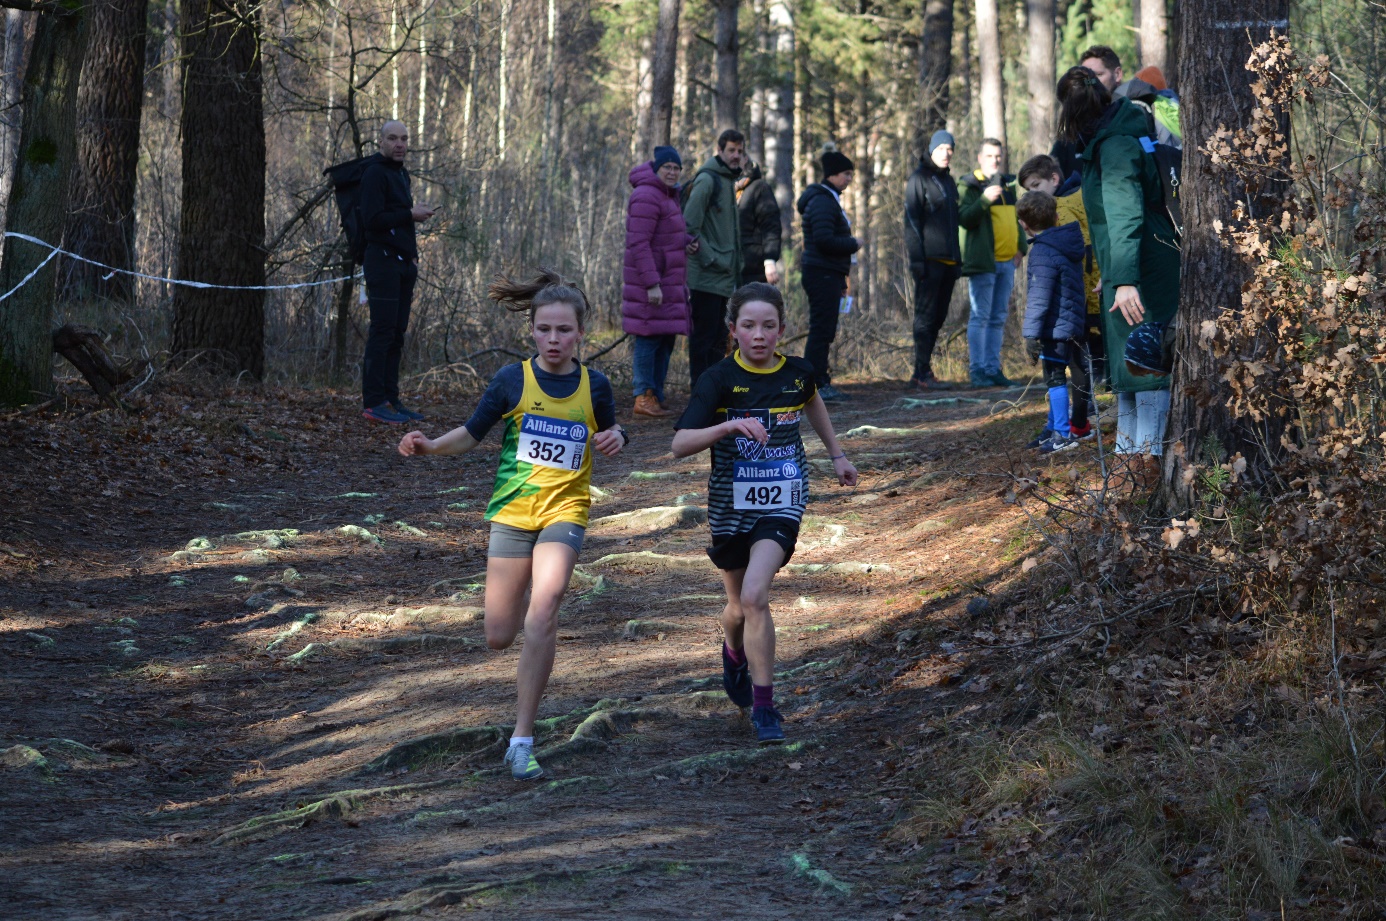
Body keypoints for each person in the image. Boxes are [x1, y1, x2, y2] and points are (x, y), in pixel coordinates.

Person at [397, 271, 627, 781]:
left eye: (564, 331)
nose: (553, 340)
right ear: (532, 332)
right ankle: (522, 612)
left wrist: (618, 437)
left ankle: (522, 740)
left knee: (544, 608)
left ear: (581, 334)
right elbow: (472, 433)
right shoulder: (510, 381)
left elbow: (612, 428)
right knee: (500, 634)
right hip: (512, 515)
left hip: (565, 513)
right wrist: (432, 445)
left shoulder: (596, 384)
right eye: (544, 329)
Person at [672, 282, 858, 744]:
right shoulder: (717, 379)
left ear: (781, 330)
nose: (759, 335)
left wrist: (836, 454)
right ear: (733, 330)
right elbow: (678, 445)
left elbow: (810, 397)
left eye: (769, 326)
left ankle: (765, 705)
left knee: (755, 596)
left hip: (783, 500)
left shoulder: (797, 374)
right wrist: (729, 424)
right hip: (729, 504)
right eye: (749, 326)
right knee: (736, 607)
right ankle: (733, 652)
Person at [1057, 65, 1180, 481]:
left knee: (1146, 368)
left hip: (1144, 270)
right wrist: (1111, 274)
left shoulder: (1114, 147)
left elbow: (1126, 216)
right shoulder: (1110, 140)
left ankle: (1147, 474)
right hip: (1127, 270)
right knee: (1128, 373)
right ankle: (1126, 471)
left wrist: (1125, 278)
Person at [360, 120, 436, 424]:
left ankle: (391, 400)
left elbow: (400, 221)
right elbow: (372, 220)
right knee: (382, 332)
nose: (400, 144)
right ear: (381, 142)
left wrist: (413, 256)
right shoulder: (375, 173)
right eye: (393, 138)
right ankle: (373, 402)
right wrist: (409, 213)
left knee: (397, 334)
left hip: (404, 264)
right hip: (381, 262)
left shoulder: (401, 174)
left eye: (404, 138)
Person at [1018, 152, 1105, 392]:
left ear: (1054, 179)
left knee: (1088, 360)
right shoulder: (1083, 192)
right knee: (1090, 359)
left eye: (1036, 186)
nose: (1034, 194)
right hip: (1098, 284)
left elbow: (1082, 251)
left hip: (1088, 292)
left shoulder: (1062, 208)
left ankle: (1085, 414)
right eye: (1028, 190)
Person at [622, 146, 696, 418]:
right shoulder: (646, 195)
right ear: (656, 168)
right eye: (668, 167)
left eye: (676, 168)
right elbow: (638, 243)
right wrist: (651, 283)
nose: (672, 172)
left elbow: (665, 236)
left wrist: (687, 243)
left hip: (669, 282)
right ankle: (643, 396)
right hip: (651, 283)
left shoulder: (667, 195)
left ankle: (657, 394)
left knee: (665, 339)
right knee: (648, 337)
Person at [1016, 190, 1090, 454]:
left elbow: (1039, 297)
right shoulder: (1067, 243)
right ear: (1057, 217)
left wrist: (1030, 335)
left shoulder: (1043, 252)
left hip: (1055, 328)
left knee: (1055, 377)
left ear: (1024, 224)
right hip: (1072, 323)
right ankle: (1053, 428)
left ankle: (1062, 432)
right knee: (1059, 375)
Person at [957, 138, 1026, 388]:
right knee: (981, 316)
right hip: (984, 262)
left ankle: (993, 368)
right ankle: (978, 371)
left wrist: (1021, 248)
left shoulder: (1008, 185)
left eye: (998, 156)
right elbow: (964, 218)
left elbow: (1017, 218)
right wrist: (985, 198)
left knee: (998, 317)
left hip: (1008, 262)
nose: (995, 161)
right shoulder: (969, 185)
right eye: (989, 156)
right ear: (979, 158)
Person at [796, 146, 861, 402]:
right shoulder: (823, 200)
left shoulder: (829, 198)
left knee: (824, 328)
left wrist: (842, 277)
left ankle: (819, 381)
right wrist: (854, 243)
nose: (849, 179)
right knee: (821, 329)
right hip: (820, 273)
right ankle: (816, 385)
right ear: (832, 175)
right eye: (846, 174)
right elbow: (824, 239)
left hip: (828, 273)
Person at [683, 129, 746, 386]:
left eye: (740, 151)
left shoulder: (728, 181)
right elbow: (689, 225)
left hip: (723, 275)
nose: (736, 156)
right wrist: (711, 258)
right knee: (703, 338)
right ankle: (700, 391)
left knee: (720, 338)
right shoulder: (708, 180)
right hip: (705, 276)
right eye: (731, 150)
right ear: (719, 151)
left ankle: (713, 390)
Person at [905, 129, 962, 390]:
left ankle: (923, 371)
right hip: (929, 261)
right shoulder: (919, 179)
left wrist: (958, 259)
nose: (946, 153)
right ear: (932, 150)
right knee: (925, 317)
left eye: (950, 149)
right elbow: (912, 223)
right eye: (942, 149)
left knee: (938, 317)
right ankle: (921, 372)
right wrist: (917, 261)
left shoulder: (949, 181)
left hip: (950, 262)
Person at [1050, 46, 1124, 179]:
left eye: (1097, 76)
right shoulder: (1069, 140)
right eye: (1083, 78)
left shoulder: (1128, 122)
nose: (1089, 84)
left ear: (1117, 74)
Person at [736, 159, 783, 285]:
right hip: (732, 270)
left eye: (739, 154)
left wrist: (770, 260)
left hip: (754, 269)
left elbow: (771, 227)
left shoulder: (759, 187)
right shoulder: (728, 189)